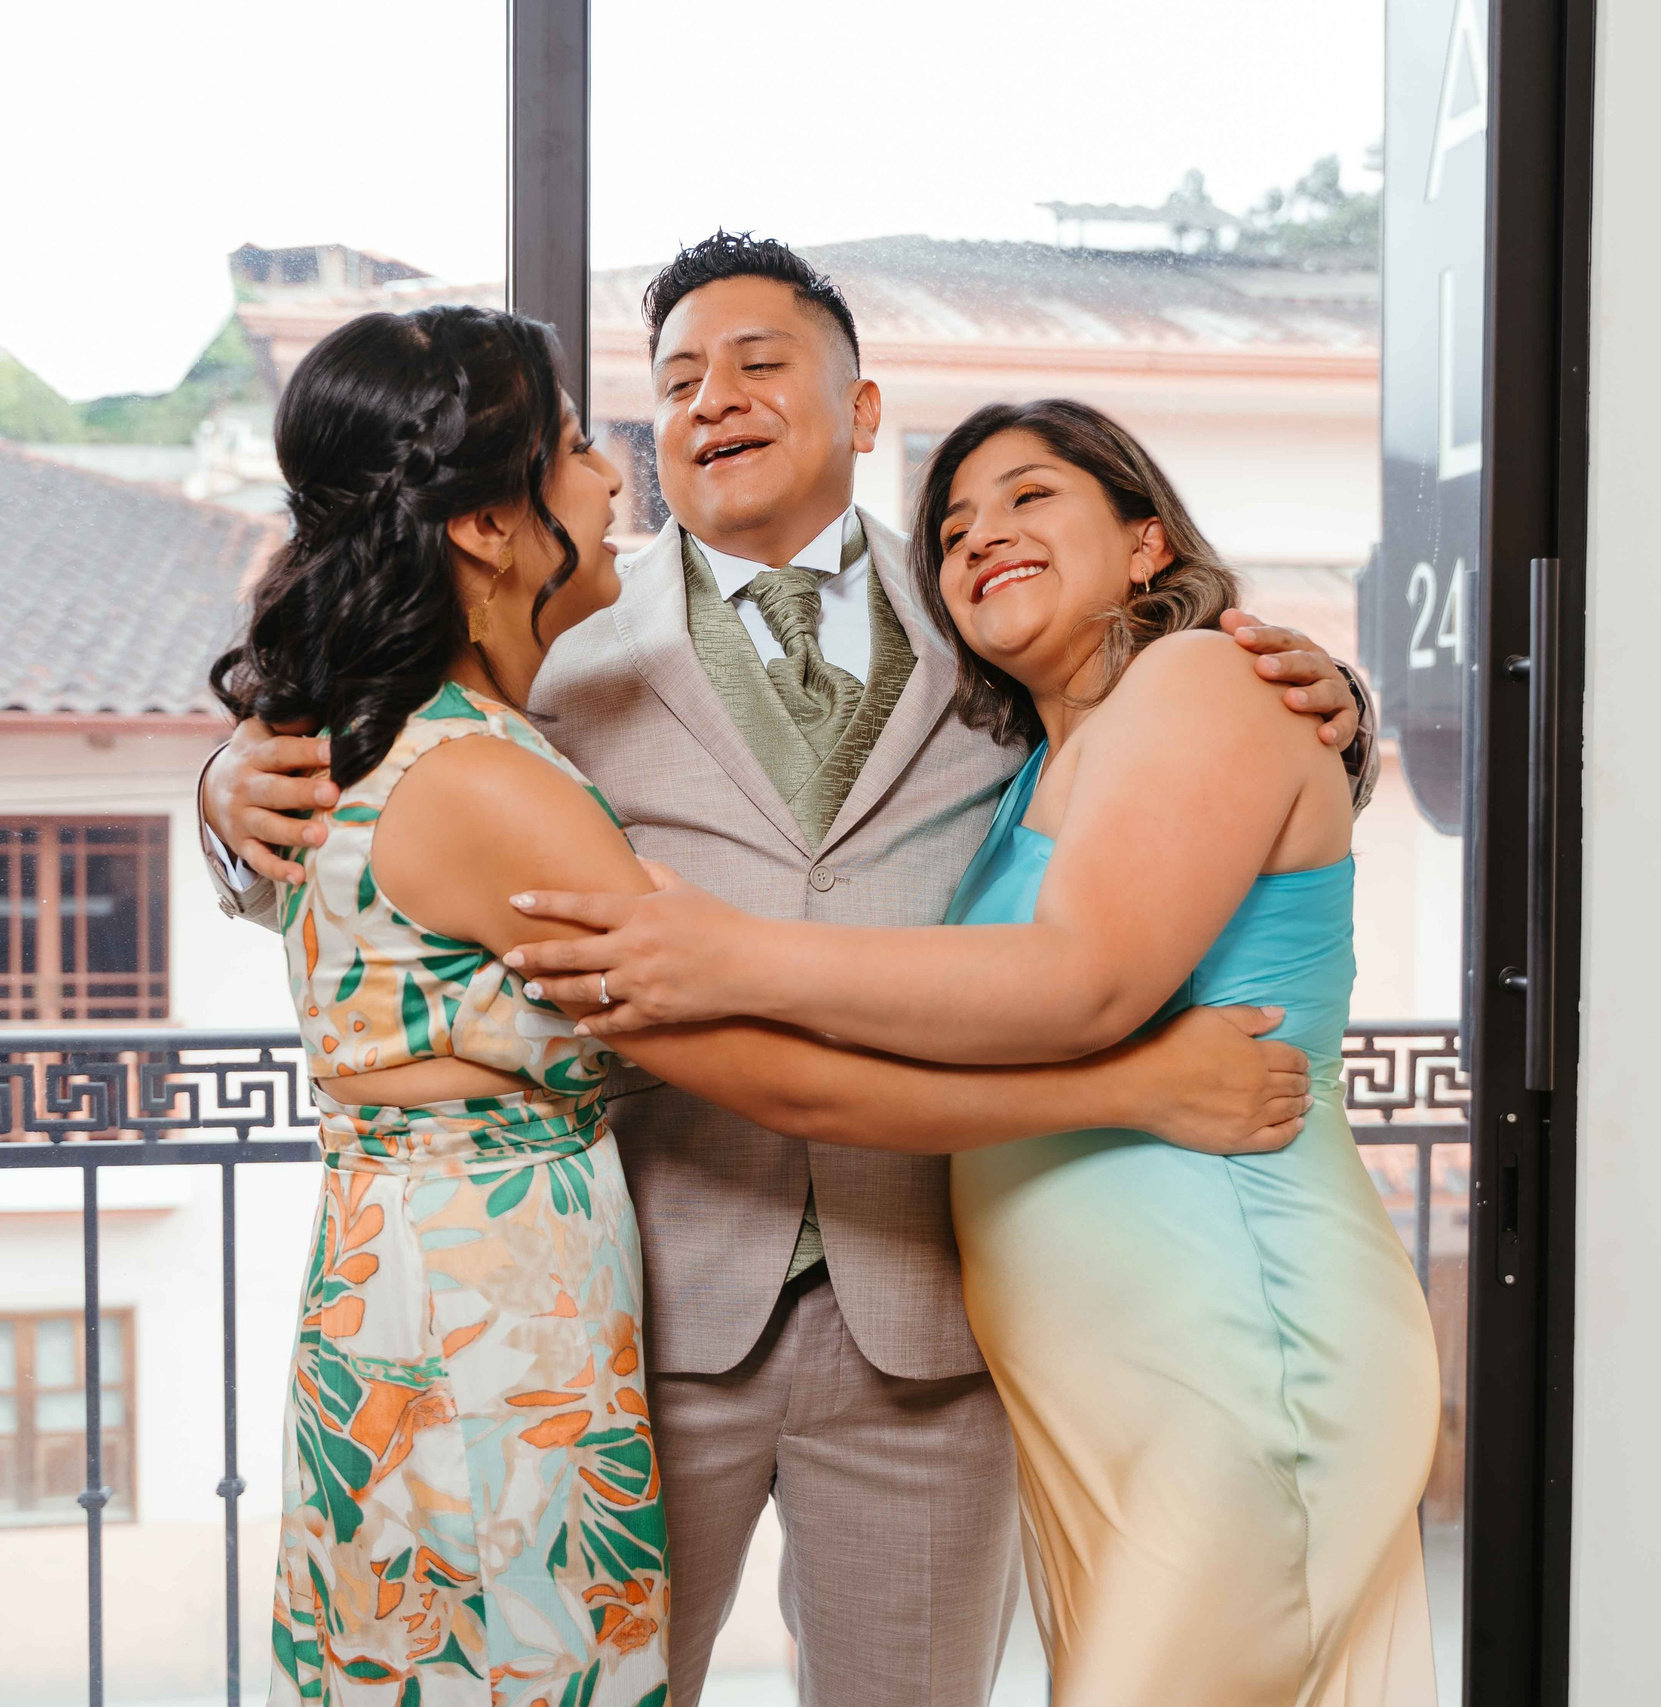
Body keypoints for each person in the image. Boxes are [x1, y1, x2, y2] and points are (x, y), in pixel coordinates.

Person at [201, 237, 1376, 1707]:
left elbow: (1159, 761)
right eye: (677, 380)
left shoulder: (991, 614)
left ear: (863, 409)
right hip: (636, 1322)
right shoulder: (551, 635)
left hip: (929, 1310)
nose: (715, 401)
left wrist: (1343, 711)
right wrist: (227, 795)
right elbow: (375, 763)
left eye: (761, 364)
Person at [504, 400, 1442, 1705]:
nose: (981, 537)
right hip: (1088, 1387)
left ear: (1146, 539)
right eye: (953, 527)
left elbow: (1084, 980)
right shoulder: (1030, 757)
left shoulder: (1205, 675)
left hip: (1232, 1344)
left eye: (1030, 498)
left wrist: (732, 956)